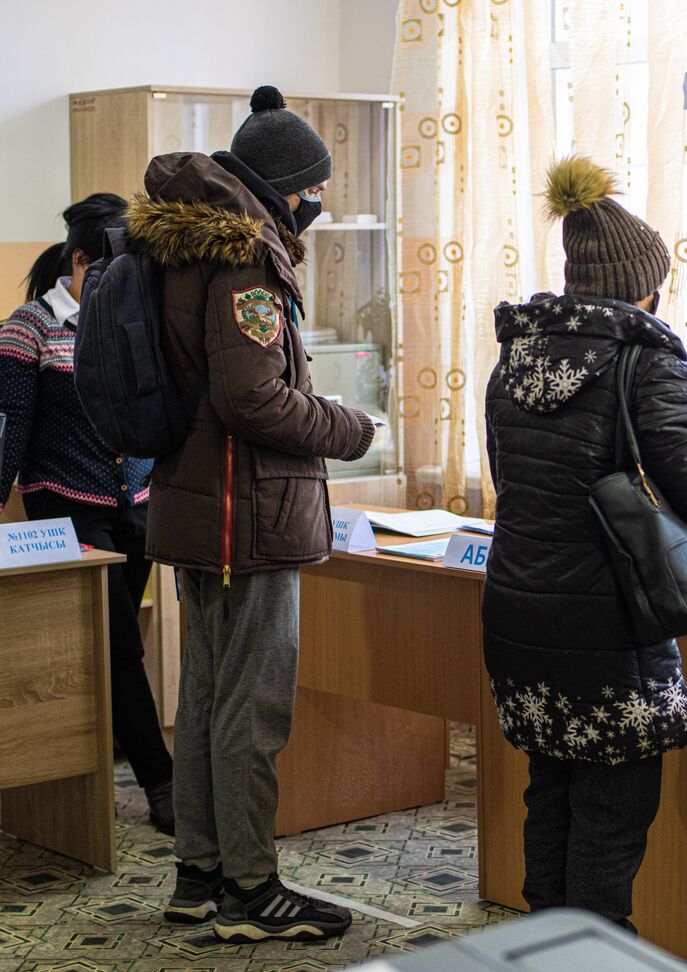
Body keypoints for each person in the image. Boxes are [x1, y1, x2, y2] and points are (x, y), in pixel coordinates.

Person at [125, 85, 375, 943]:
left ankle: (199, 872)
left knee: (204, 696)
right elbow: (253, 398)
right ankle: (249, 889)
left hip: (199, 506)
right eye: (314, 190)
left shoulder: (188, 244)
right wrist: (348, 427)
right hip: (247, 512)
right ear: (287, 188)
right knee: (252, 706)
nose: (318, 205)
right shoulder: (248, 258)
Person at [482, 156, 687, 931]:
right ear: (644, 283)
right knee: (612, 815)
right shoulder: (646, 360)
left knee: (551, 794)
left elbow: (514, 480)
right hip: (609, 624)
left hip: (521, 615)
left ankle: (544, 948)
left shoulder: (516, 355)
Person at [0, 196, 176, 834]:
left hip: (137, 507)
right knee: (120, 646)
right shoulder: (30, 328)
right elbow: (8, 428)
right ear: (79, 261)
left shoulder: (133, 320)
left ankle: (111, 744)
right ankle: (163, 782)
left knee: (117, 640)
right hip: (66, 511)